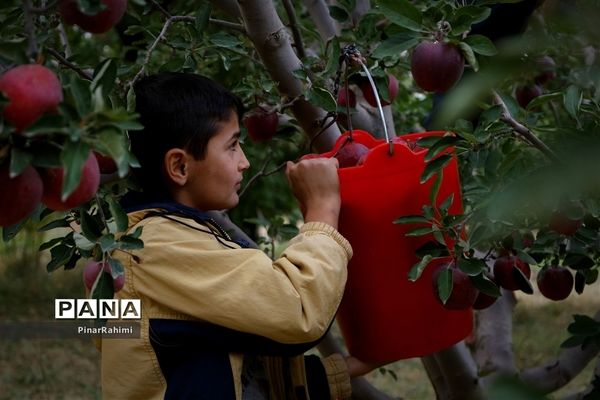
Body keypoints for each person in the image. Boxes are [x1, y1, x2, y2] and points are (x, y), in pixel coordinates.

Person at [99, 71, 363, 399]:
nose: (245, 162)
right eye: (233, 146)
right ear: (180, 167)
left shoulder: (153, 236)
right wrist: (322, 209)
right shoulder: (155, 247)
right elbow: (297, 311)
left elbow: (219, 355)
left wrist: (353, 366)